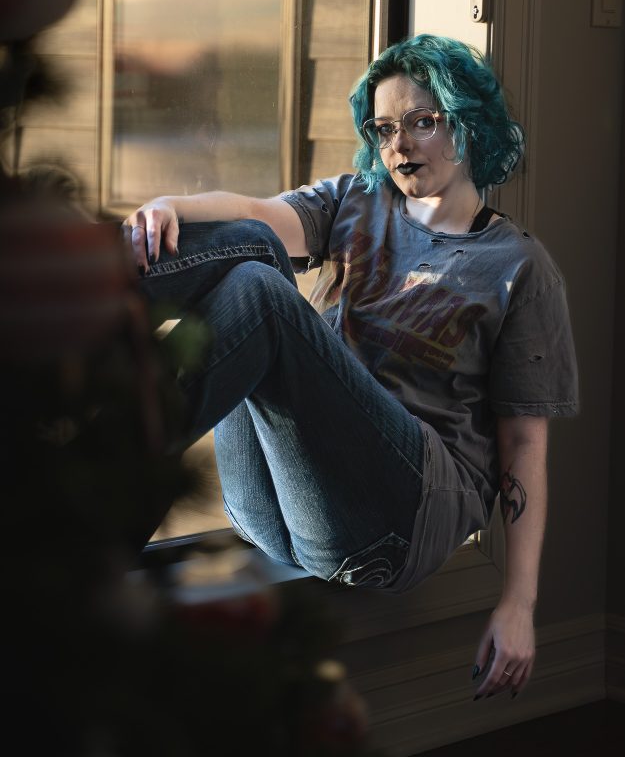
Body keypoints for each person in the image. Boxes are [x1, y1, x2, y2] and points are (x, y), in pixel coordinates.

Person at [124, 34, 578, 701]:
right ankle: (77, 297)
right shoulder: (358, 201)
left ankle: (98, 491)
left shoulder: (519, 267)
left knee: (260, 291)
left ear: (466, 121)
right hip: (279, 508)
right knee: (254, 252)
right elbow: (254, 215)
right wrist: (169, 208)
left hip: (397, 520)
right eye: (383, 128)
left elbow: (525, 444)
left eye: (421, 121)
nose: (398, 145)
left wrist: (518, 604)